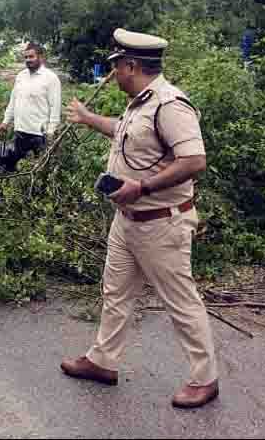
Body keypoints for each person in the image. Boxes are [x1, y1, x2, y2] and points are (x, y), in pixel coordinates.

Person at [60, 29, 219, 409]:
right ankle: (102, 361)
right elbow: (124, 133)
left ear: (132, 66)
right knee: (115, 293)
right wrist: (88, 118)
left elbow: (195, 161)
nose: (113, 73)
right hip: (127, 221)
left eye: (117, 66)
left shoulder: (171, 104)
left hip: (161, 223)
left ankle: (205, 379)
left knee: (181, 301)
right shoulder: (140, 103)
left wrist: (142, 187)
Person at [0, 42, 61, 171]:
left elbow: (55, 107)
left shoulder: (51, 78)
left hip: (39, 134)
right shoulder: (21, 76)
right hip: (20, 131)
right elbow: (13, 101)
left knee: (38, 170)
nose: (28, 60)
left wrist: (51, 131)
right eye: (26, 57)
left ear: (41, 57)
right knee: (16, 168)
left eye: (31, 57)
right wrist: (5, 122)